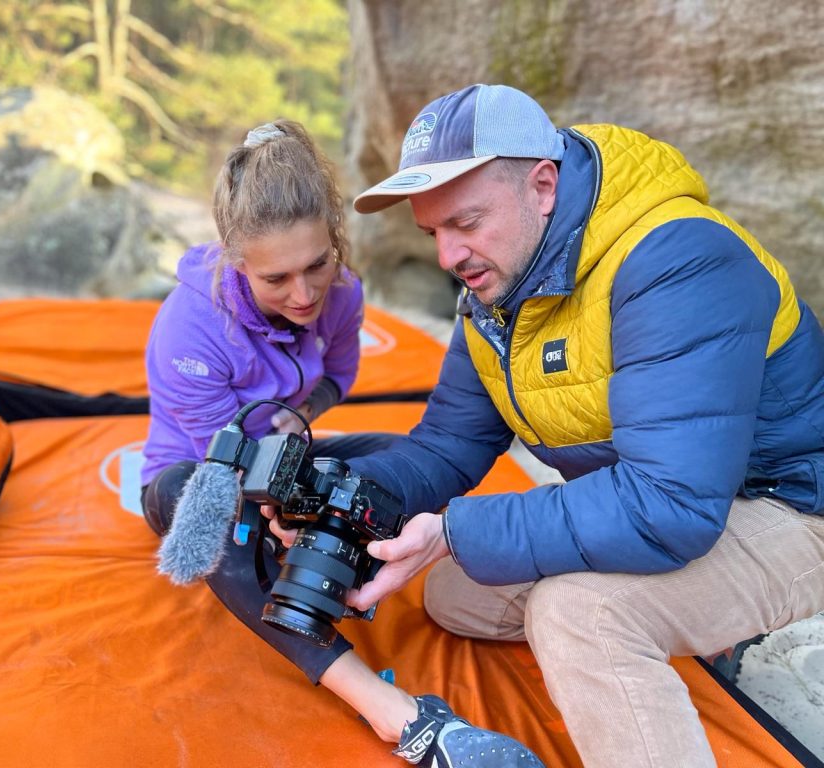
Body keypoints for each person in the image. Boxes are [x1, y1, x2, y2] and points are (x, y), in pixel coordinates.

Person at [289, 83, 824, 767]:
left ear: (543, 184)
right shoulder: (499, 287)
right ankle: (684, 623)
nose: (449, 257)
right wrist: (340, 490)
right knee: (457, 592)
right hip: (660, 495)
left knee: (581, 612)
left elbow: (674, 506)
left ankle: (660, 628)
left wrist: (455, 529)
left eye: (467, 222)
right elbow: (450, 447)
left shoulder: (678, 262)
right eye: (434, 233)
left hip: (789, 504)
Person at [142, 119, 541, 768]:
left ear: (336, 238)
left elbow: (336, 378)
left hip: (287, 446)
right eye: (275, 280)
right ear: (235, 260)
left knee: (394, 456)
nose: (303, 296)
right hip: (198, 472)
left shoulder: (343, 294)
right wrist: (282, 504)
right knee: (228, 520)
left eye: (316, 265)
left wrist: (299, 432)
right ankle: (402, 718)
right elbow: (223, 468)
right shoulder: (189, 325)